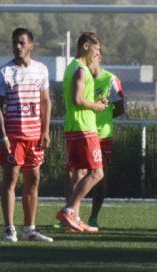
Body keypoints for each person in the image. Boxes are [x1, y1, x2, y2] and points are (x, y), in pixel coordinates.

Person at [0, 28, 53, 242]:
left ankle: (29, 229)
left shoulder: (41, 70)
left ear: (31, 45)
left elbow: (45, 101)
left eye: (22, 43)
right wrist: (3, 137)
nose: (17, 47)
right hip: (14, 137)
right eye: (14, 43)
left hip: (35, 137)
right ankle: (9, 229)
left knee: (33, 179)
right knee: (11, 179)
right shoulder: (4, 72)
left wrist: (45, 130)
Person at [55, 32, 108, 233]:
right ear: (86, 46)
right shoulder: (81, 69)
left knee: (79, 174)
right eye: (96, 49)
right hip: (84, 128)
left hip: (74, 127)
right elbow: (77, 99)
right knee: (97, 173)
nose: (97, 54)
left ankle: (74, 218)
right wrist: (96, 106)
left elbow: (78, 97)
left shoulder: (71, 67)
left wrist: (95, 102)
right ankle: (69, 211)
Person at [87, 52, 126, 228]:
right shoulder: (80, 77)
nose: (89, 60)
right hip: (82, 131)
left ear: (99, 58)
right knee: (74, 174)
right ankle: (71, 213)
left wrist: (105, 117)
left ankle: (93, 217)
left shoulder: (110, 79)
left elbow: (120, 108)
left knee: (100, 176)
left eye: (93, 56)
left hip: (102, 136)